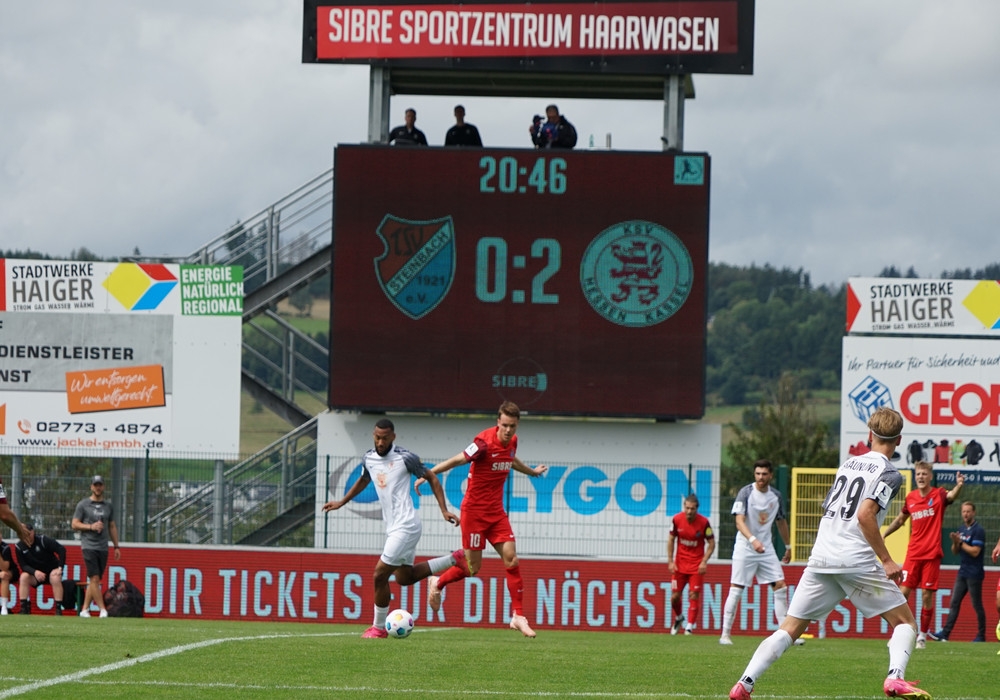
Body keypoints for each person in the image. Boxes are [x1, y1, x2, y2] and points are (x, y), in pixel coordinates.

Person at [728, 407, 932, 700]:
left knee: (790, 628)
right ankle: (894, 678)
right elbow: (865, 515)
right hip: (855, 559)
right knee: (904, 623)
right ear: (898, 440)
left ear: (869, 435)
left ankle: (744, 683)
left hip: (822, 556)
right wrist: (886, 560)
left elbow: (834, 509)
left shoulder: (848, 465)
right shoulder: (890, 473)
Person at [321, 418, 464, 638]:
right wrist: (342, 501)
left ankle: (378, 628)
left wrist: (444, 510)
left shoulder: (405, 458)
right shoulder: (368, 458)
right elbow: (364, 479)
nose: (380, 442)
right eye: (377, 437)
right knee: (404, 578)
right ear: (373, 435)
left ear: (393, 437)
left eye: (385, 438)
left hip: (406, 526)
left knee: (379, 575)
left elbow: (432, 478)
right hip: (396, 528)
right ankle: (455, 558)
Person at [416, 401, 548, 637]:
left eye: (513, 427)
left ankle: (518, 616)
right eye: (505, 425)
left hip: (496, 514)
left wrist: (532, 472)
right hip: (474, 513)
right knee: (472, 568)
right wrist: (429, 474)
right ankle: (437, 583)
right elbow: (458, 459)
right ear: (498, 422)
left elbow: (511, 460)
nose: (508, 431)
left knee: (512, 558)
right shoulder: (482, 444)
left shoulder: (513, 442)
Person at [881, 461, 963, 648]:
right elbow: (901, 520)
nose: (920, 477)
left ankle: (922, 636)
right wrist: (885, 533)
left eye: (924, 474)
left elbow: (951, 496)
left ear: (930, 476)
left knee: (927, 596)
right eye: (918, 474)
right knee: (902, 594)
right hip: (913, 554)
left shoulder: (938, 494)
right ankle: (899, 633)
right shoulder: (910, 498)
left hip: (932, 555)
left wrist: (958, 485)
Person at [719, 459, 797, 645]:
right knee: (736, 588)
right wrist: (753, 540)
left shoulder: (776, 496)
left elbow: (781, 522)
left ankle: (785, 635)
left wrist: (788, 546)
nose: (760, 477)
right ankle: (725, 635)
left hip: (766, 548)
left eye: (764, 474)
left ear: (770, 475)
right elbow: (739, 521)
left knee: (780, 585)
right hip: (745, 547)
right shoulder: (746, 493)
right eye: (757, 474)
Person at [928, 501, 986, 642]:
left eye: (968, 511)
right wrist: (955, 542)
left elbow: (975, 552)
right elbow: (955, 552)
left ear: (974, 513)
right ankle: (945, 634)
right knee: (954, 602)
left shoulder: (978, 530)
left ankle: (981, 635)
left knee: (976, 604)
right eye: (963, 511)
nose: (965, 514)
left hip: (974, 573)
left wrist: (961, 543)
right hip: (963, 572)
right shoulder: (961, 529)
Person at [71, 474, 121, 618]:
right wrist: (91, 527)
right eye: (95, 485)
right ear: (91, 487)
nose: (98, 487)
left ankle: (85, 609)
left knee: (95, 580)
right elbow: (74, 524)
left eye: (100, 485)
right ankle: (102, 609)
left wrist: (116, 546)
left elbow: (112, 526)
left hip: (103, 546)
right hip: (89, 545)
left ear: (103, 487)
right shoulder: (83, 505)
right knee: (94, 579)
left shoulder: (108, 506)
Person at [667, 493, 715, 635]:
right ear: (684, 507)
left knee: (694, 594)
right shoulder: (676, 520)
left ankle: (689, 626)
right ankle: (679, 617)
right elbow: (671, 540)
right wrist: (670, 561)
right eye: (687, 508)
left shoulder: (704, 523)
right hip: (679, 565)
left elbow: (712, 543)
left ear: (697, 509)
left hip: (696, 565)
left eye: (692, 509)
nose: (689, 511)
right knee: (674, 597)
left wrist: (704, 562)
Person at [14, 524, 67, 616]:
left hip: (51, 571)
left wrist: (60, 568)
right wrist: (35, 572)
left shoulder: (43, 540)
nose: (27, 537)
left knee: (55, 577)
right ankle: (24, 608)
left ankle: (58, 610)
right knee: (24, 577)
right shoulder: (19, 546)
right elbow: (23, 566)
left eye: (29, 534)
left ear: (33, 532)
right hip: (36, 575)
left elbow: (61, 549)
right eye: (24, 534)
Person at [0, 541, 19, 615]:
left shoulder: (5, 548)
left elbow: (4, 568)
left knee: (4, 576)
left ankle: (4, 607)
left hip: (10, 571)